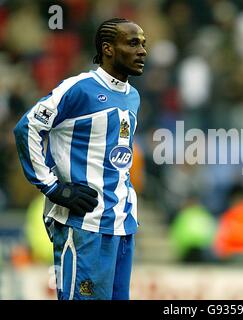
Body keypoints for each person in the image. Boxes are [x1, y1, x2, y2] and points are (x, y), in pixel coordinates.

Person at [13, 18, 147, 300]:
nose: (143, 51)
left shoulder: (133, 96)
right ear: (108, 49)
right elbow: (28, 127)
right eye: (133, 43)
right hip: (83, 225)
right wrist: (52, 187)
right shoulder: (79, 88)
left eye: (143, 44)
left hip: (121, 225)